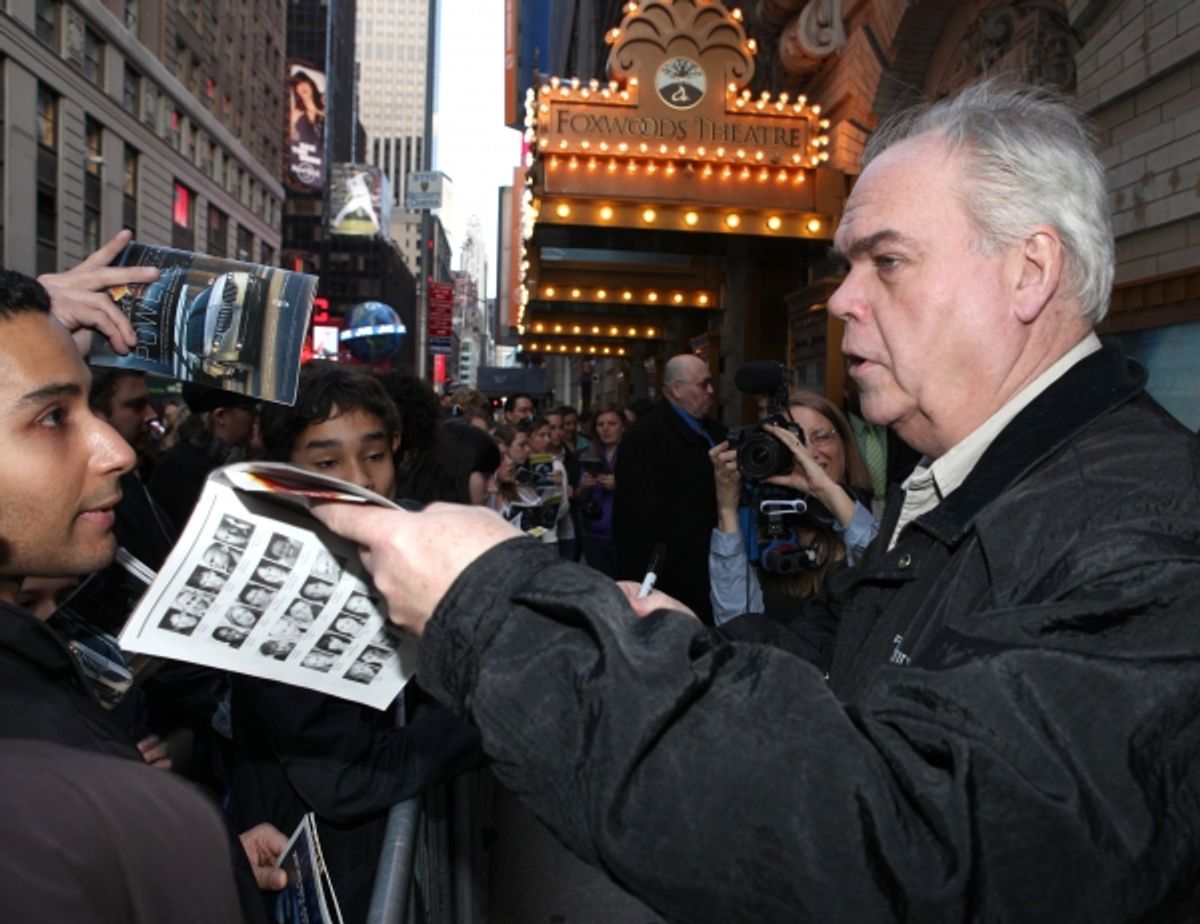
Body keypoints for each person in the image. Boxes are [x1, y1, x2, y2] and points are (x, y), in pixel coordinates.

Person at [309, 81, 1200, 921]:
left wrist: (495, 611)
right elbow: (839, 663)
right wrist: (651, 632)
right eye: (851, 265)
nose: (846, 300)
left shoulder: (1153, 527)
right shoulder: (954, 481)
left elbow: (915, 838)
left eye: (887, 262)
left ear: (1029, 271)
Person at [0, 269, 287, 919]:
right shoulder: (29, 742)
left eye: (93, 410)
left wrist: (190, 861)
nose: (116, 452)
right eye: (53, 417)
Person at [230, 361, 482, 923]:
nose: (361, 481)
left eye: (374, 456)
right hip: (317, 870)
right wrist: (486, 717)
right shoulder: (273, 589)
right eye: (326, 462)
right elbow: (343, 779)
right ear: (281, 472)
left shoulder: (394, 553)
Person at [708, 389, 878, 621]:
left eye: (821, 436)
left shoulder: (879, 518)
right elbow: (735, 623)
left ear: (845, 445)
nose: (807, 452)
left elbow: (889, 597)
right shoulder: (764, 526)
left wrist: (827, 492)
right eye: (794, 441)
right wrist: (727, 511)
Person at [614, 353, 726, 622]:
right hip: (671, 574)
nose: (711, 391)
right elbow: (634, 521)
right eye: (703, 384)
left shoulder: (716, 432)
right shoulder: (644, 438)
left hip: (717, 564)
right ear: (677, 389)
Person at [575, 404, 624, 577]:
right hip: (593, 533)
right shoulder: (588, 454)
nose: (606, 429)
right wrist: (584, 486)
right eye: (600, 424)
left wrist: (620, 486)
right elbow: (579, 498)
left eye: (612, 424)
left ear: (623, 427)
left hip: (622, 534)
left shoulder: (631, 454)